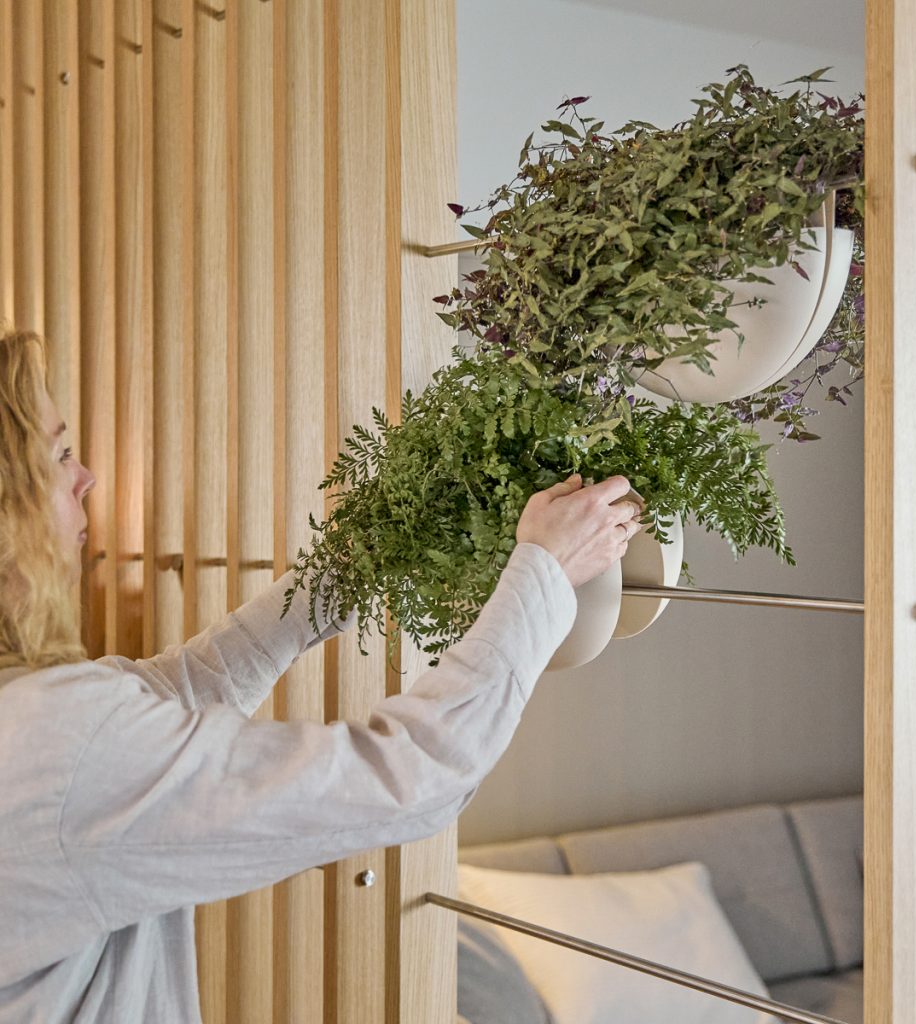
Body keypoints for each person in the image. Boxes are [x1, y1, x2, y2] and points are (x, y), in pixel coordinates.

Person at [0, 327, 642, 1022]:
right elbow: (411, 775)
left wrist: (349, 566)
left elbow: (181, 688)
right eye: (59, 455)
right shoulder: (51, 746)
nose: (87, 477)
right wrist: (545, 572)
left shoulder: (34, 714)